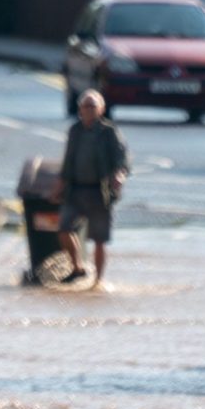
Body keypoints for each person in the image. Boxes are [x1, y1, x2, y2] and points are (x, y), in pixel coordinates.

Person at [58, 91, 129, 289]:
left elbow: (122, 158)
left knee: (99, 239)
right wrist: (60, 184)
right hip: (75, 191)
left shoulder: (109, 132)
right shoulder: (75, 130)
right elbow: (68, 160)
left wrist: (119, 175)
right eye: (85, 106)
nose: (89, 110)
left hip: (100, 192)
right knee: (64, 228)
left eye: (93, 106)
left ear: (101, 109)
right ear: (80, 109)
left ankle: (98, 281)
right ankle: (77, 268)